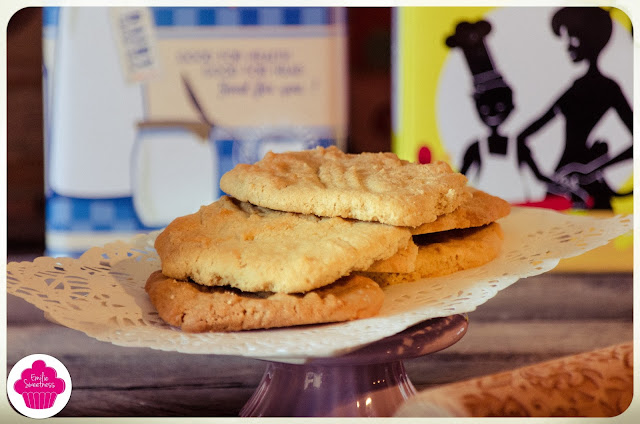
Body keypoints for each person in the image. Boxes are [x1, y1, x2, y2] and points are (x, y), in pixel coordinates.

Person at [516, 7, 632, 209]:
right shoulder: (575, 89)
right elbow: (522, 137)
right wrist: (544, 178)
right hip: (565, 184)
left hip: (583, 186)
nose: (568, 45)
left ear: (592, 39)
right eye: (566, 38)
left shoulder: (607, 87)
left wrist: (592, 169)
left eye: (574, 37)